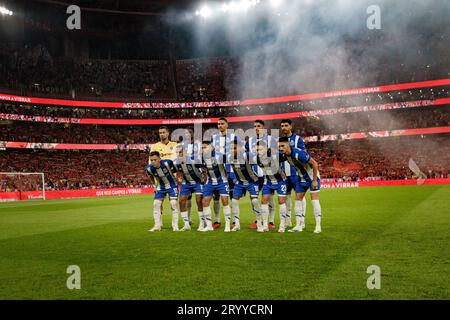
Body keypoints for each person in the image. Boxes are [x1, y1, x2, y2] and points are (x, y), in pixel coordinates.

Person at [278, 137, 322, 234]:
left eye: (282, 146)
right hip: (301, 179)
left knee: (314, 200)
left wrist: (314, 180)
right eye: (279, 146)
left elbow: (315, 163)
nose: (281, 148)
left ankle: (318, 226)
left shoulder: (299, 153)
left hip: (311, 178)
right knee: (298, 201)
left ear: (288, 144)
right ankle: (298, 226)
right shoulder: (285, 155)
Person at [246, 120, 277, 230]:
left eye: (259, 126)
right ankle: (258, 219)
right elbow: (246, 156)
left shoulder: (270, 139)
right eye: (254, 126)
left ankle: (271, 221)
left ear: (264, 128)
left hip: (268, 173)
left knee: (269, 197)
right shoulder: (249, 141)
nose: (256, 128)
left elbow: (276, 155)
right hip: (254, 174)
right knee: (253, 198)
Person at [210, 117, 238, 228]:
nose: (220, 125)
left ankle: (235, 221)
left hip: (231, 171)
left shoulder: (234, 137)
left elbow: (239, 151)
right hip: (218, 172)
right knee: (216, 196)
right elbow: (211, 153)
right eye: (218, 124)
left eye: (222, 123)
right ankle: (217, 220)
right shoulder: (214, 138)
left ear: (227, 124)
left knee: (232, 197)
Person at [256, 141, 288, 233]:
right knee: (263, 201)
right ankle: (265, 225)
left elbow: (287, 157)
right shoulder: (258, 159)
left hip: (281, 181)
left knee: (281, 201)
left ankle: (282, 225)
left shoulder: (276, 155)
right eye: (257, 150)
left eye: (261, 149)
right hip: (269, 181)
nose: (259, 152)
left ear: (266, 149)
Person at [280, 119, 307, 229]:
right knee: (286, 197)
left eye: (286, 125)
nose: (284, 128)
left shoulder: (298, 139)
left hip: (296, 173)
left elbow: (303, 155)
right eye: (282, 126)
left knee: (300, 197)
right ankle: (288, 220)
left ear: (291, 126)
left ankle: (301, 220)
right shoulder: (280, 141)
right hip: (284, 174)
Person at [229, 141, 261, 232]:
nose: (232, 150)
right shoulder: (230, 157)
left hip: (252, 182)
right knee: (234, 201)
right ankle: (237, 224)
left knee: (254, 201)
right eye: (231, 148)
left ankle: (259, 223)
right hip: (240, 183)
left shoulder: (248, 155)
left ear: (240, 148)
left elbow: (260, 163)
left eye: (234, 148)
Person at [201, 140, 231, 232]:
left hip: (222, 181)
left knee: (225, 200)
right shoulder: (203, 158)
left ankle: (227, 225)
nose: (203, 150)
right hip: (210, 182)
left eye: (205, 147)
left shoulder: (220, 156)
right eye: (202, 148)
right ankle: (209, 226)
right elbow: (205, 170)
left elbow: (230, 162)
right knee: (205, 201)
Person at [146, 151, 180, 232]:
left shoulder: (167, 163)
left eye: (155, 159)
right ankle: (157, 226)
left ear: (159, 159)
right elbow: (150, 176)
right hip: (161, 187)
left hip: (172, 185)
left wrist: (178, 179)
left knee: (173, 203)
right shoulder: (149, 168)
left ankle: (175, 226)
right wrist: (154, 185)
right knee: (156, 204)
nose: (153, 162)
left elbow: (176, 170)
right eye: (152, 160)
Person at [173, 145, 205, 232]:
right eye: (177, 152)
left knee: (199, 200)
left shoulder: (194, 160)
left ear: (185, 152)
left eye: (180, 152)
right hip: (186, 183)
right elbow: (175, 172)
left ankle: (202, 223)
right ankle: (186, 224)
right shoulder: (176, 162)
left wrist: (205, 182)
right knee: (181, 201)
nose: (179, 154)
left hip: (197, 182)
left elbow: (205, 169)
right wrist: (179, 179)